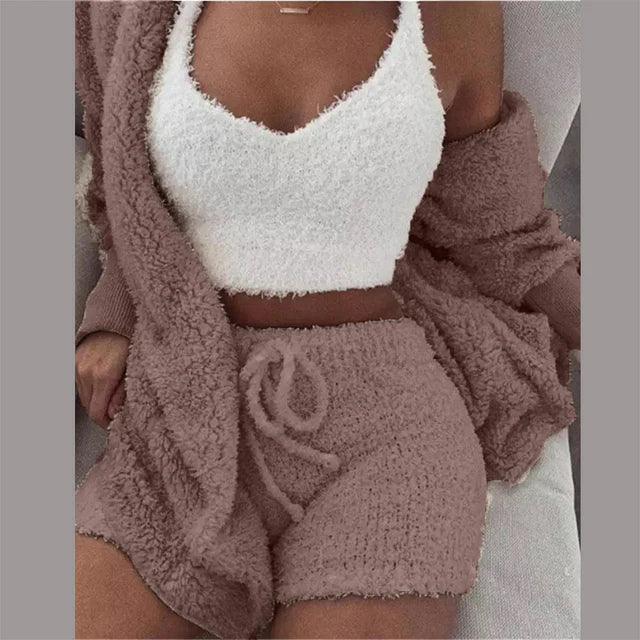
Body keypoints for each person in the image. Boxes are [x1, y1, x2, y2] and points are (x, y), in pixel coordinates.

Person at [74, 2, 566, 639]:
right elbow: (126, 190)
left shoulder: (456, 12)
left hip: (390, 428)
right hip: (190, 409)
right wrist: (114, 312)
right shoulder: (132, 10)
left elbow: (496, 224)